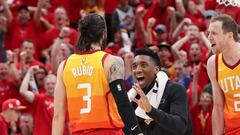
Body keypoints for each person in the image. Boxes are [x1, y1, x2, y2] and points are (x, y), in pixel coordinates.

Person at [52, 13, 143, 135]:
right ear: (103, 34)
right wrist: (137, 132)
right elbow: (123, 104)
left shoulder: (64, 66)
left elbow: (58, 116)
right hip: (108, 131)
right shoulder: (110, 61)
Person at [130, 47, 192, 135]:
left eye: (143, 65)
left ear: (156, 70)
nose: (137, 70)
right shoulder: (133, 95)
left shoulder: (175, 89)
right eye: (134, 66)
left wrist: (151, 111)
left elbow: (180, 126)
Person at [207, 14, 240, 135]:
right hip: (232, 130)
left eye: (214, 33)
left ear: (229, 35)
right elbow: (218, 106)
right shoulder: (213, 63)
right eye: (208, 33)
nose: (209, 37)